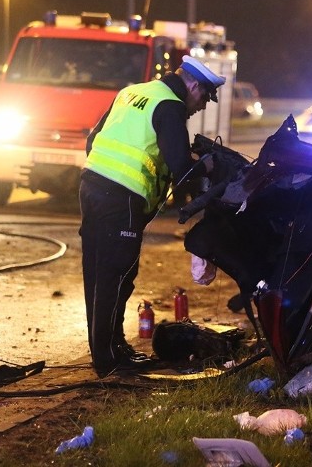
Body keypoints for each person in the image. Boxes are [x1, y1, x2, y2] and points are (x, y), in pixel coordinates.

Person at [79, 55, 224, 377]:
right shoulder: (170, 106)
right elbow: (182, 171)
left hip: (91, 188)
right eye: (204, 97)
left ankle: (111, 348)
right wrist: (206, 165)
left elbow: (93, 141)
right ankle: (108, 359)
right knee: (116, 277)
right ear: (193, 85)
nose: (202, 106)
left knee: (100, 273)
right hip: (121, 200)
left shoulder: (133, 92)